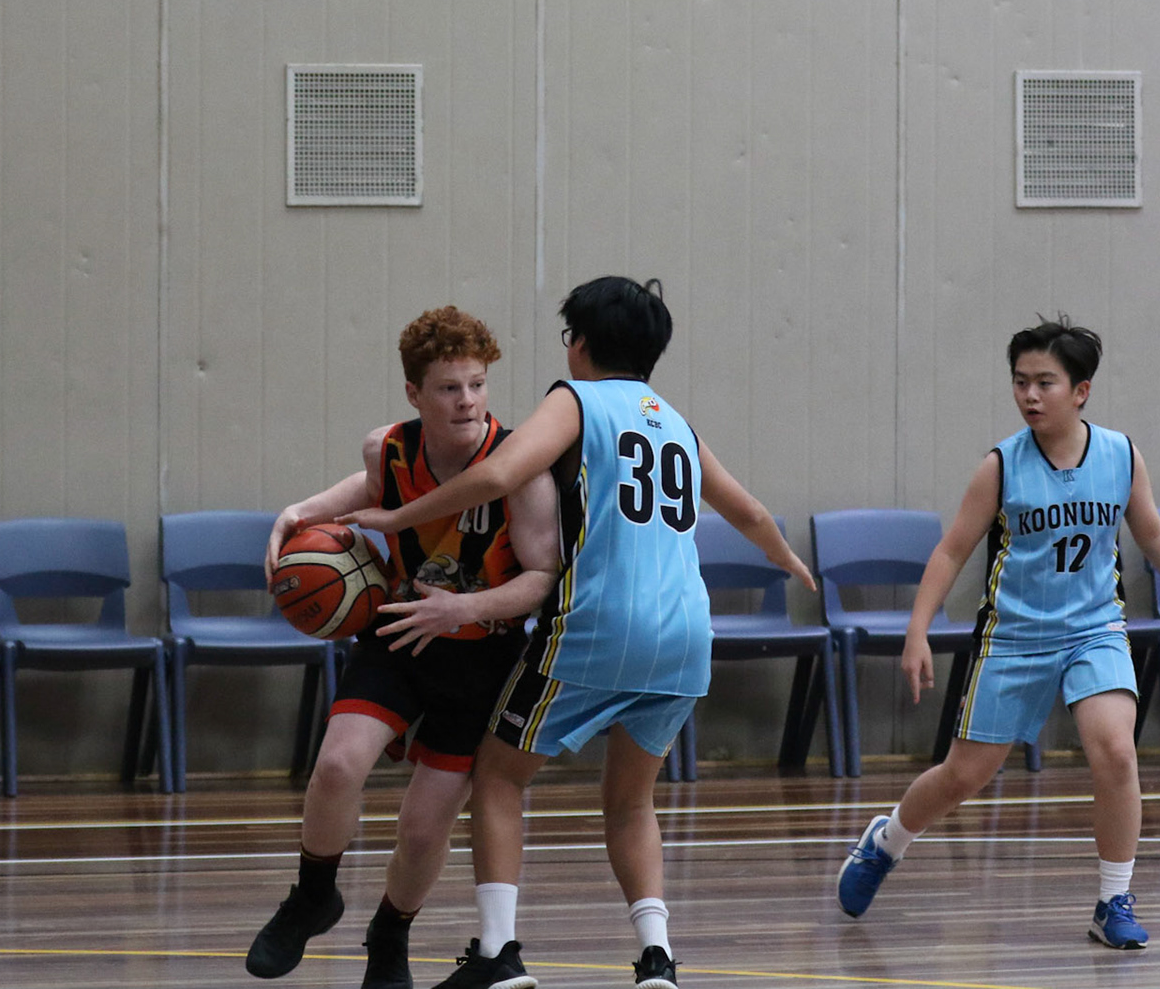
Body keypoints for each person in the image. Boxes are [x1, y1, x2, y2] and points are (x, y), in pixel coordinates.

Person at [343, 276, 816, 989]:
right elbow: (748, 511)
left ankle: (498, 953)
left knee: (497, 776)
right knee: (630, 800)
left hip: (600, 625)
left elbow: (498, 472)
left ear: (581, 344)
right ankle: (656, 960)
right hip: (686, 636)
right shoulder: (674, 421)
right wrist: (789, 562)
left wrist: (398, 517)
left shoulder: (576, 401)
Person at [834, 317, 1160, 950]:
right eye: (1020, 382)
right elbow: (951, 550)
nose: (1029, 395)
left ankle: (1113, 900)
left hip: (1095, 629)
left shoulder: (1121, 455)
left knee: (1117, 752)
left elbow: (1152, 531)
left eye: (1045, 382)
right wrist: (917, 631)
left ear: (1081, 391)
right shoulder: (1000, 466)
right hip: (1014, 637)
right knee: (964, 775)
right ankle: (888, 841)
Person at [246, 306, 561, 989]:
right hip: (397, 634)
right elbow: (371, 491)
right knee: (337, 766)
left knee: (422, 830)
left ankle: (389, 937)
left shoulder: (520, 468)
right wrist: (301, 512)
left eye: (477, 384)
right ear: (414, 393)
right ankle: (313, 895)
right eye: (449, 388)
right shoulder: (387, 450)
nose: (468, 400)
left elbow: (542, 577)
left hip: (480, 656)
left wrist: (463, 607)